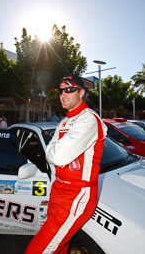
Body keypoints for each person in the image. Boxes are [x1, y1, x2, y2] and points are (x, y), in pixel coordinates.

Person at [25, 74, 107, 254]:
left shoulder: (89, 119)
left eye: (69, 89)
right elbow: (51, 156)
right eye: (61, 90)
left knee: (36, 250)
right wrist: (53, 151)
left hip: (76, 195)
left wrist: (53, 150)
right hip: (58, 190)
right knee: (59, 248)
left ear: (82, 93)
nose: (63, 94)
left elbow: (57, 156)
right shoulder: (64, 121)